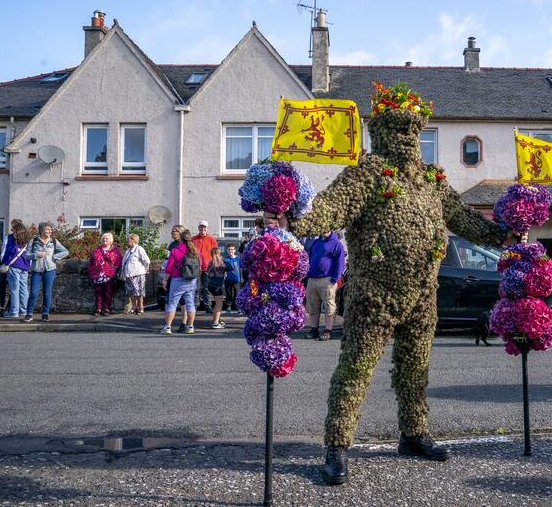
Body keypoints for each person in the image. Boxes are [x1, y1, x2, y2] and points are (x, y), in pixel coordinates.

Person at [264, 107, 523, 486]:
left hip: (423, 293)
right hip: (375, 295)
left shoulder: (430, 180)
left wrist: (502, 234)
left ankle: (414, 433)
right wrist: (294, 218)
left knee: (415, 370)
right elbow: (330, 208)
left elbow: (464, 220)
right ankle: (337, 445)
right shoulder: (367, 174)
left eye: (411, 130)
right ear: (380, 132)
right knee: (356, 370)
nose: (405, 138)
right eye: (397, 129)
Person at [304, 230, 346, 341]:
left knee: (329, 306)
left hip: (327, 280)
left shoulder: (336, 244)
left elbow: (340, 262)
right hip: (312, 279)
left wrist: (335, 279)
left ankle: (328, 330)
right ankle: (314, 330)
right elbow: (309, 257)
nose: (323, 229)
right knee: (312, 306)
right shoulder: (316, 242)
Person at [24, 222, 69, 322]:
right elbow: (27, 255)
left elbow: (65, 251)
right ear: (41, 231)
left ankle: (45, 314)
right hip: (36, 270)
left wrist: (54, 257)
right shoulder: (34, 241)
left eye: (50, 229)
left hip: (50, 270)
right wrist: (36, 254)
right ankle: (29, 314)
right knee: (34, 293)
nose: (50, 231)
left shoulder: (53, 241)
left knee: (47, 292)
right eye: (47, 229)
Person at [161, 229, 200, 335]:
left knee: (172, 304)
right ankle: (190, 327)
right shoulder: (195, 250)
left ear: (181, 239)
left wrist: (165, 280)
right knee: (190, 304)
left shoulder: (175, 250)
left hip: (177, 280)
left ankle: (168, 327)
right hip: (192, 280)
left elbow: (169, 268)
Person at [0, 220, 32, 319]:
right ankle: (24, 310)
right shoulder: (28, 240)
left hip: (14, 266)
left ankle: (14, 312)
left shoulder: (13, 240)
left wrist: (6, 263)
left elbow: (10, 253)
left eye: (13, 229)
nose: (11, 230)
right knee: (24, 289)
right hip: (25, 267)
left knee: (14, 289)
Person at [87, 232, 123, 316]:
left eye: (106, 238)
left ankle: (106, 308)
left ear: (111, 240)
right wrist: (91, 272)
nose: (104, 240)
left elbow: (119, 261)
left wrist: (114, 269)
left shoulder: (115, 250)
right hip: (97, 275)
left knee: (108, 292)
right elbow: (91, 262)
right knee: (98, 293)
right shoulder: (97, 250)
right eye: (103, 238)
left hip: (109, 276)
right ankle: (98, 308)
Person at [165, 225, 189, 332]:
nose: (172, 234)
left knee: (180, 301)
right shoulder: (172, 245)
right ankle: (170, 323)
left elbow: (170, 263)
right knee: (174, 301)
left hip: (179, 276)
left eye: (174, 232)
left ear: (180, 233)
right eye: (171, 232)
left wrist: (165, 278)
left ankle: (182, 323)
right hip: (179, 276)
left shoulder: (182, 245)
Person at [193, 220, 218, 314]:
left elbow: (215, 253)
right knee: (196, 288)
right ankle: (195, 306)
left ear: (207, 228)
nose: (202, 229)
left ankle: (207, 306)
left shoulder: (211, 239)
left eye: (204, 227)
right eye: (201, 227)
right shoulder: (194, 239)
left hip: (208, 267)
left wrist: (215, 265)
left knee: (206, 288)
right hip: (196, 268)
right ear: (198, 228)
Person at [122, 233, 151, 315]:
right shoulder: (127, 251)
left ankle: (141, 308)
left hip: (138, 274)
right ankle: (134, 307)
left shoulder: (139, 249)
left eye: (128, 239)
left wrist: (144, 270)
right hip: (128, 275)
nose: (127, 241)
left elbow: (147, 261)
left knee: (139, 292)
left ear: (133, 240)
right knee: (131, 292)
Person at [206, 247, 226, 329]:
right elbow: (230, 268)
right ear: (219, 253)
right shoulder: (222, 262)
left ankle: (215, 319)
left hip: (211, 285)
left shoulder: (211, 262)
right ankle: (216, 323)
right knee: (219, 304)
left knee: (216, 304)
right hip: (217, 286)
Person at [223, 244, 241, 314]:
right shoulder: (226, 259)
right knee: (228, 294)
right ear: (227, 250)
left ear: (235, 250)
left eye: (232, 249)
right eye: (229, 249)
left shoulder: (238, 259)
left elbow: (242, 268)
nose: (230, 251)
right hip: (228, 279)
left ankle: (238, 308)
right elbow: (223, 269)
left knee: (237, 294)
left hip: (237, 280)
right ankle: (228, 307)